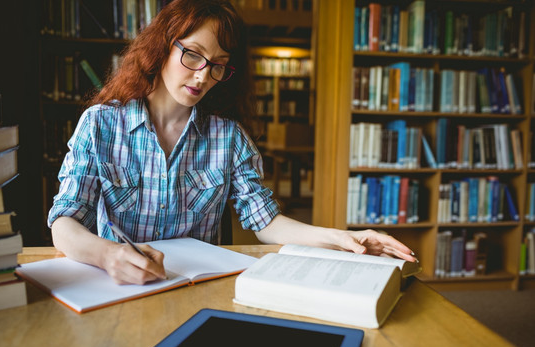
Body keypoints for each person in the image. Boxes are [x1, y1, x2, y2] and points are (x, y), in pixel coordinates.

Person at [49, 0, 417, 285]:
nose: (202, 75)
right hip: (115, 285)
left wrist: (343, 239)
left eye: (218, 65)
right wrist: (108, 255)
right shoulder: (100, 124)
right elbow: (64, 222)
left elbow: (266, 222)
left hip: (194, 288)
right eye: (192, 54)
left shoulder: (227, 137)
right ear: (162, 46)